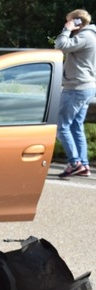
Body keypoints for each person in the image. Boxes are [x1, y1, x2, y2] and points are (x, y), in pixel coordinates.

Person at [54, 9, 96, 177]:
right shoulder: (91, 36)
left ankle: (74, 163)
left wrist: (67, 30)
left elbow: (60, 46)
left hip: (76, 88)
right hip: (86, 87)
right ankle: (83, 165)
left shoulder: (85, 37)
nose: (66, 23)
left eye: (69, 21)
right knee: (76, 126)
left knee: (61, 126)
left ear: (77, 21)